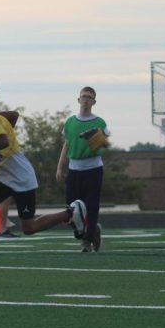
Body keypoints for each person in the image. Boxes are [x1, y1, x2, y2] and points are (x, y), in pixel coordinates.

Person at [0, 76, 86, 288]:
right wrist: (3, 124)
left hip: (21, 178)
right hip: (1, 176)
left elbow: (3, 140)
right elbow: (13, 115)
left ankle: (71, 213)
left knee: (28, 227)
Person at [56, 86, 110, 248]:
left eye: (89, 97)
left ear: (94, 102)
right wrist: (59, 167)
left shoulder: (99, 122)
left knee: (92, 205)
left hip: (93, 169)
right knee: (71, 207)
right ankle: (84, 231)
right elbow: (66, 145)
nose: (86, 99)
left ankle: (88, 239)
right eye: (84, 96)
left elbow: (106, 144)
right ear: (78, 100)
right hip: (74, 170)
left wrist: (96, 137)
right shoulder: (70, 122)